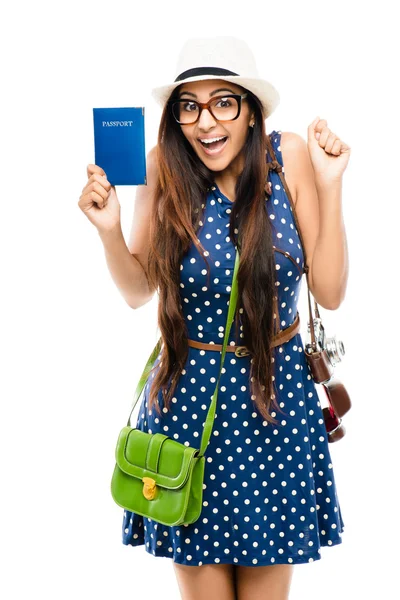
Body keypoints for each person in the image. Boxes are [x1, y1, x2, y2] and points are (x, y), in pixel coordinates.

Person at [78, 35, 350, 600]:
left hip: (278, 407)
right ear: (177, 117)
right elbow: (137, 291)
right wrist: (108, 231)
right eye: (189, 106)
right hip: (191, 408)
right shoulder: (163, 171)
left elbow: (330, 290)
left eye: (224, 102)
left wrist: (330, 186)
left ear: (251, 111)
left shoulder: (290, 157)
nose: (207, 122)